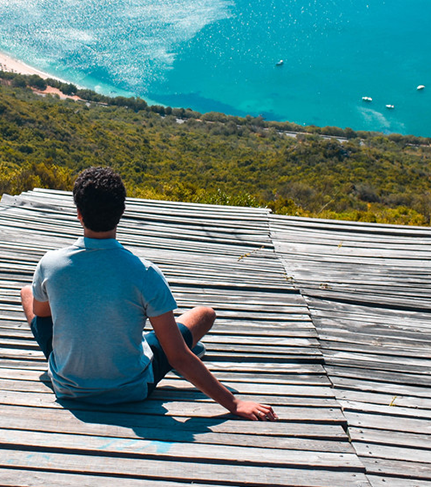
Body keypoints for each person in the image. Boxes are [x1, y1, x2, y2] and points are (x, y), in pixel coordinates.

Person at [19, 166, 277, 421]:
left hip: (68, 387)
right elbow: (177, 357)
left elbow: (43, 317)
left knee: (28, 294)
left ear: (78, 213)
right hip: (130, 389)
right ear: (121, 212)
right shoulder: (144, 272)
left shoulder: (50, 264)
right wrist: (234, 403)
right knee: (204, 314)